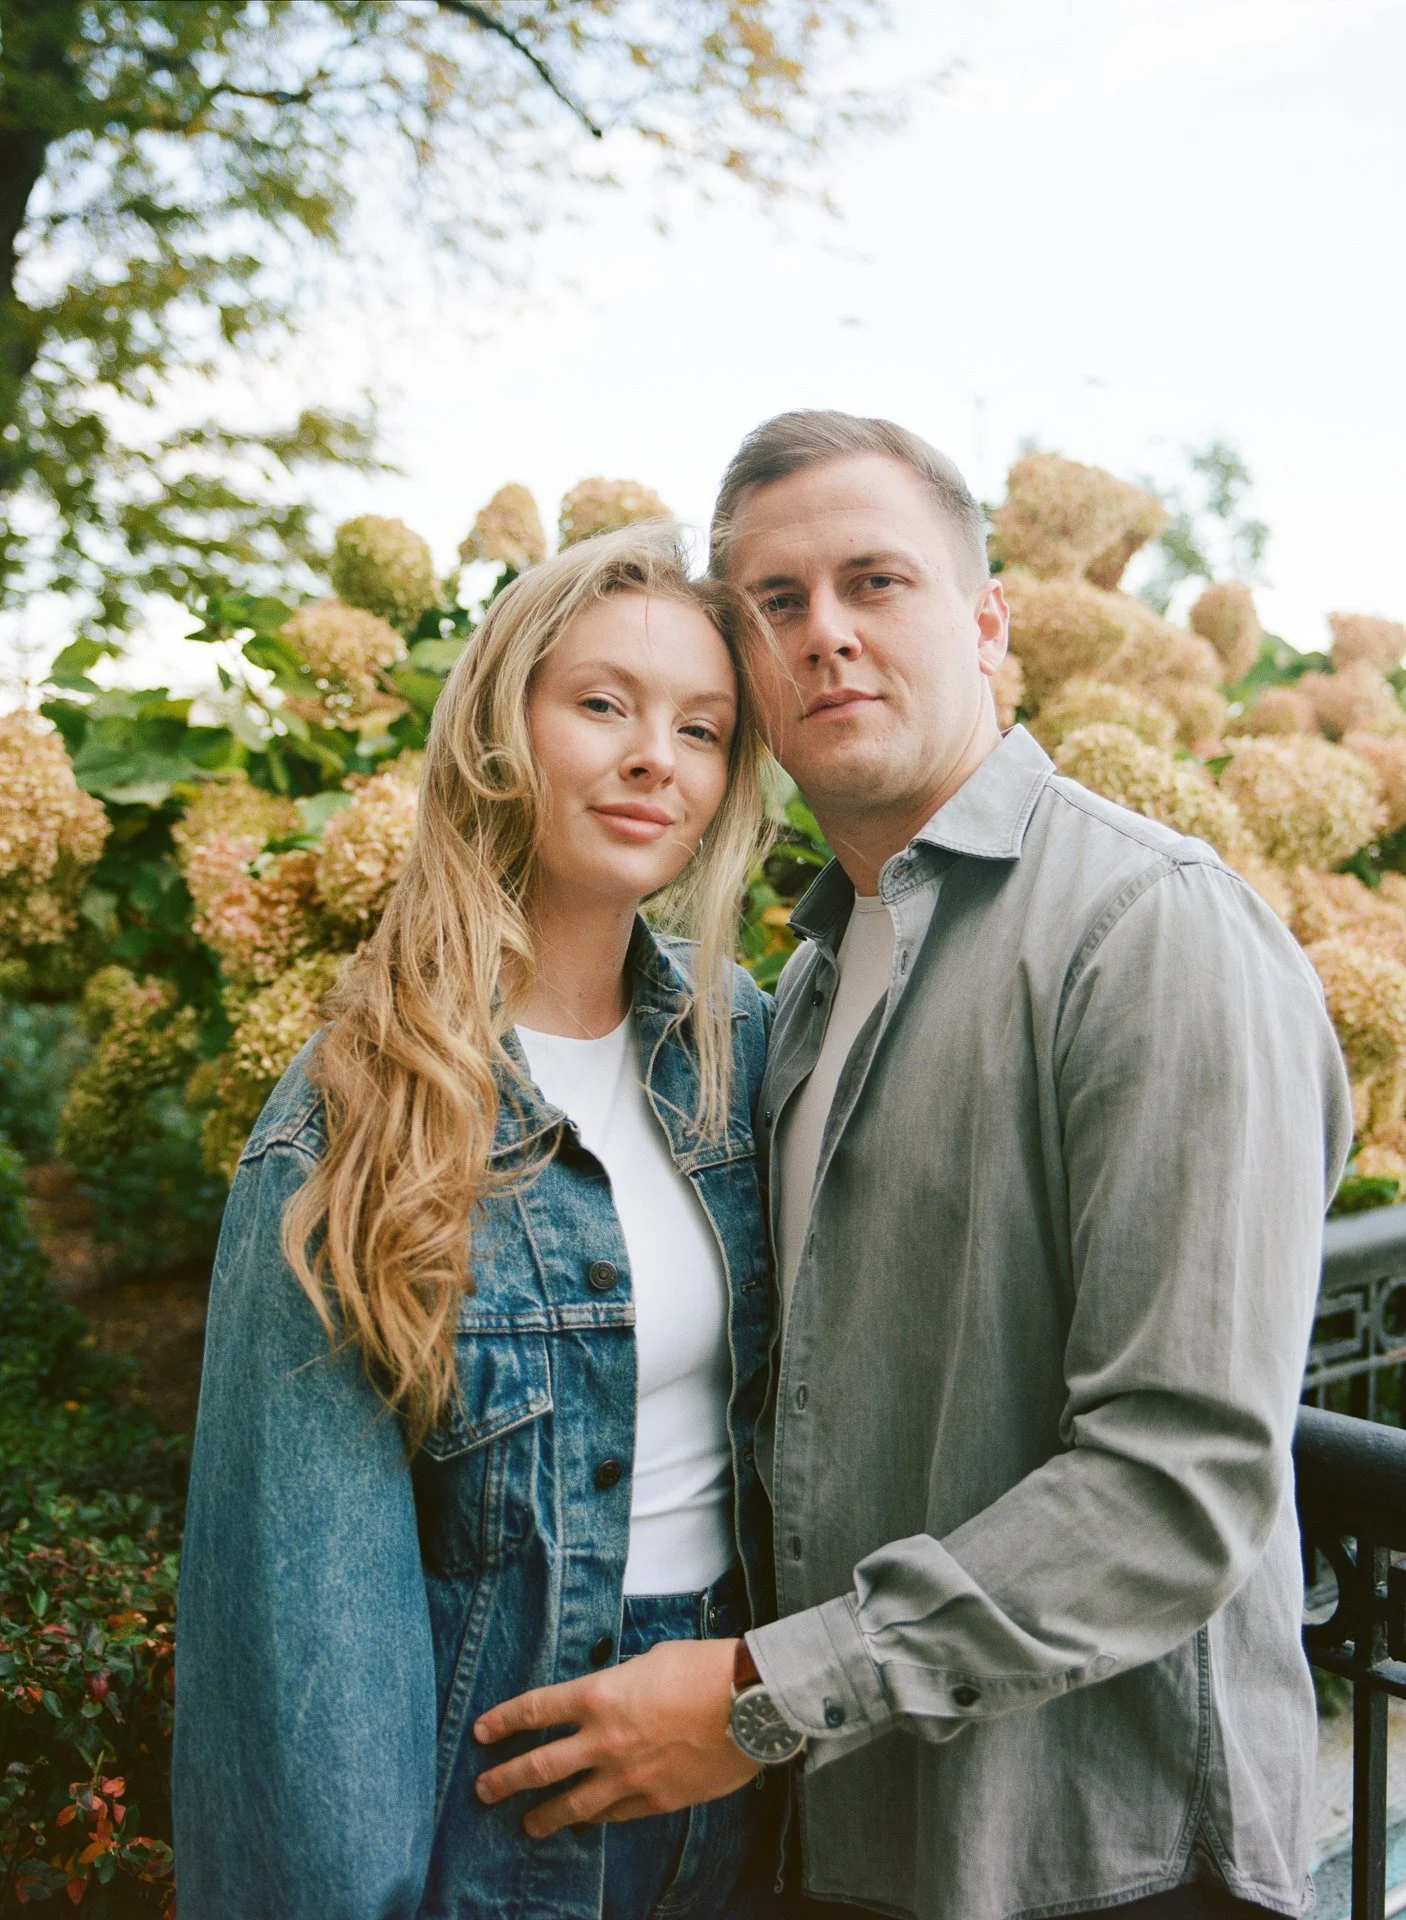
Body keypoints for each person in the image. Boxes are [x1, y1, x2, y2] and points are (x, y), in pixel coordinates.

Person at [472, 414, 1354, 1920]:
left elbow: (1178, 1483)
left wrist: (760, 1691)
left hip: (1110, 1855)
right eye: (775, 602)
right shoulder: (805, 986)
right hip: (863, 1841)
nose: (826, 637)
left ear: (986, 622)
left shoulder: (1149, 931)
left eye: (874, 582)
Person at [173, 525, 784, 1920]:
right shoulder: (354, 1115)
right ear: (500, 729)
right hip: (500, 1812)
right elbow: (303, 1649)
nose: (656, 760)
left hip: (747, 1778)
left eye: (700, 728)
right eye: (603, 705)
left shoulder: (740, 1050)